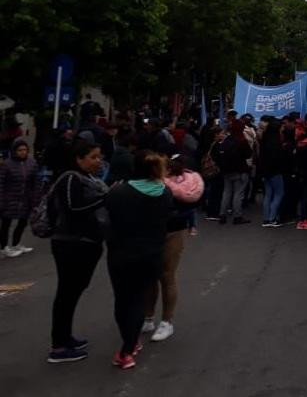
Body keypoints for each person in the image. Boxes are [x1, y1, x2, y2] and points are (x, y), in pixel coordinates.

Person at [105, 151, 173, 369]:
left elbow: (108, 219)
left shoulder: (119, 192)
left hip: (121, 253)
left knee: (123, 300)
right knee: (139, 299)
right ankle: (130, 345)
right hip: (152, 253)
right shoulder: (165, 193)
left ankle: (128, 347)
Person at [46, 141, 109, 364]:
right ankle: (59, 346)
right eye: (93, 157)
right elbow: (73, 209)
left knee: (73, 291)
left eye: (99, 156)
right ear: (79, 159)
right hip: (71, 243)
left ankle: (65, 337)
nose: (98, 161)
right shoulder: (71, 178)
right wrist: (105, 199)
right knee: (66, 292)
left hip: (86, 243)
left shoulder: (88, 179)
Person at [142, 157, 202, 342]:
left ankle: (167, 322)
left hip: (173, 230)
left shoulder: (184, 186)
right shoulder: (148, 185)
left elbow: (190, 205)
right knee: (150, 275)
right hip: (152, 231)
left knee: (167, 275)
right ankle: (148, 317)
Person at [1, 138, 41, 257]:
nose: (23, 152)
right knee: (6, 223)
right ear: (14, 151)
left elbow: (36, 181)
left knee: (23, 222)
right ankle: (3, 247)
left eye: (25, 150)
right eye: (20, 150)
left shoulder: (31, 163)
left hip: (25, 198)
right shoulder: (6, 164)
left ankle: (16, 243)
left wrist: (36, 197)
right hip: (9, 197)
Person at [216, 120, 252, 225]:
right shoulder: (241, 140)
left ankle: (222, 215)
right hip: (240, 170)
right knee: (238, 194)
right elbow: (248, 154)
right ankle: (237, 216)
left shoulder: (226, 140)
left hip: (227, 171)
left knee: (226, 193)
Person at [257, 118, 288, 228]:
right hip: (275, 171)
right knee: (279, 193)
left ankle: (266, 219)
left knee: (268, 195)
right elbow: (279, 159)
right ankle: (273, 218)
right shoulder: (276, 143)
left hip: (266, 172)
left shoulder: (264, 141)